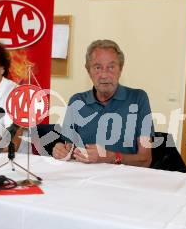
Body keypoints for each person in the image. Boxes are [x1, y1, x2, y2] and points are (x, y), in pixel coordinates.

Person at [52, 39, 153, 167]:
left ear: (120, 69)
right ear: (89, 71)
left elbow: (145, 160)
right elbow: (69, 150)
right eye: (97, 67)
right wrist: (61, 151)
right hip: (84, 179)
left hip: (124, 180)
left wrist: (110, 157)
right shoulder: (76, 101)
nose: (104, 74)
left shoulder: (138, 98)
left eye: (111, 67)